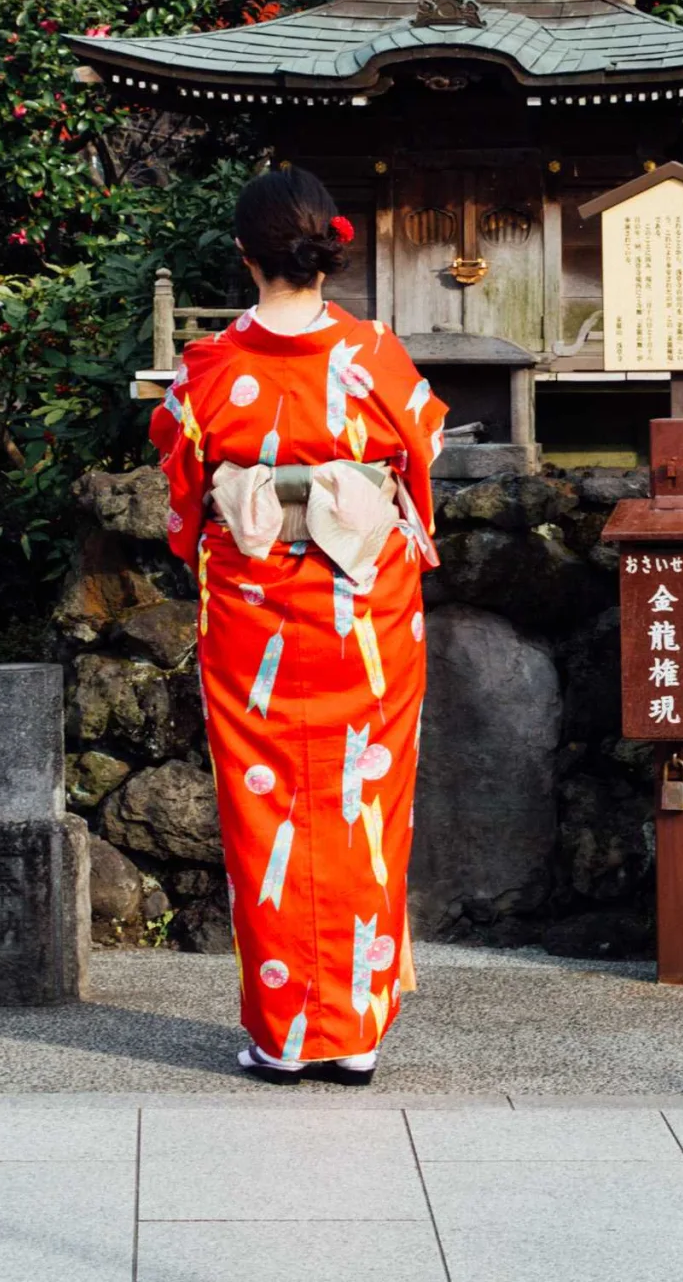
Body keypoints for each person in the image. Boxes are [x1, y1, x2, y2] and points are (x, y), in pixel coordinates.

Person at [149, 167, 451, 1085]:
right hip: (365, 609)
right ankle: (355, 1028)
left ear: (244, 255)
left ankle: (284, 1032)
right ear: (328, 250)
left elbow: (183, 494)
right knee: (364, 805)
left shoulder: (207, 368)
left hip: (252, 610)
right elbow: (423, 458)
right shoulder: (377, 357)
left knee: (265, 804)